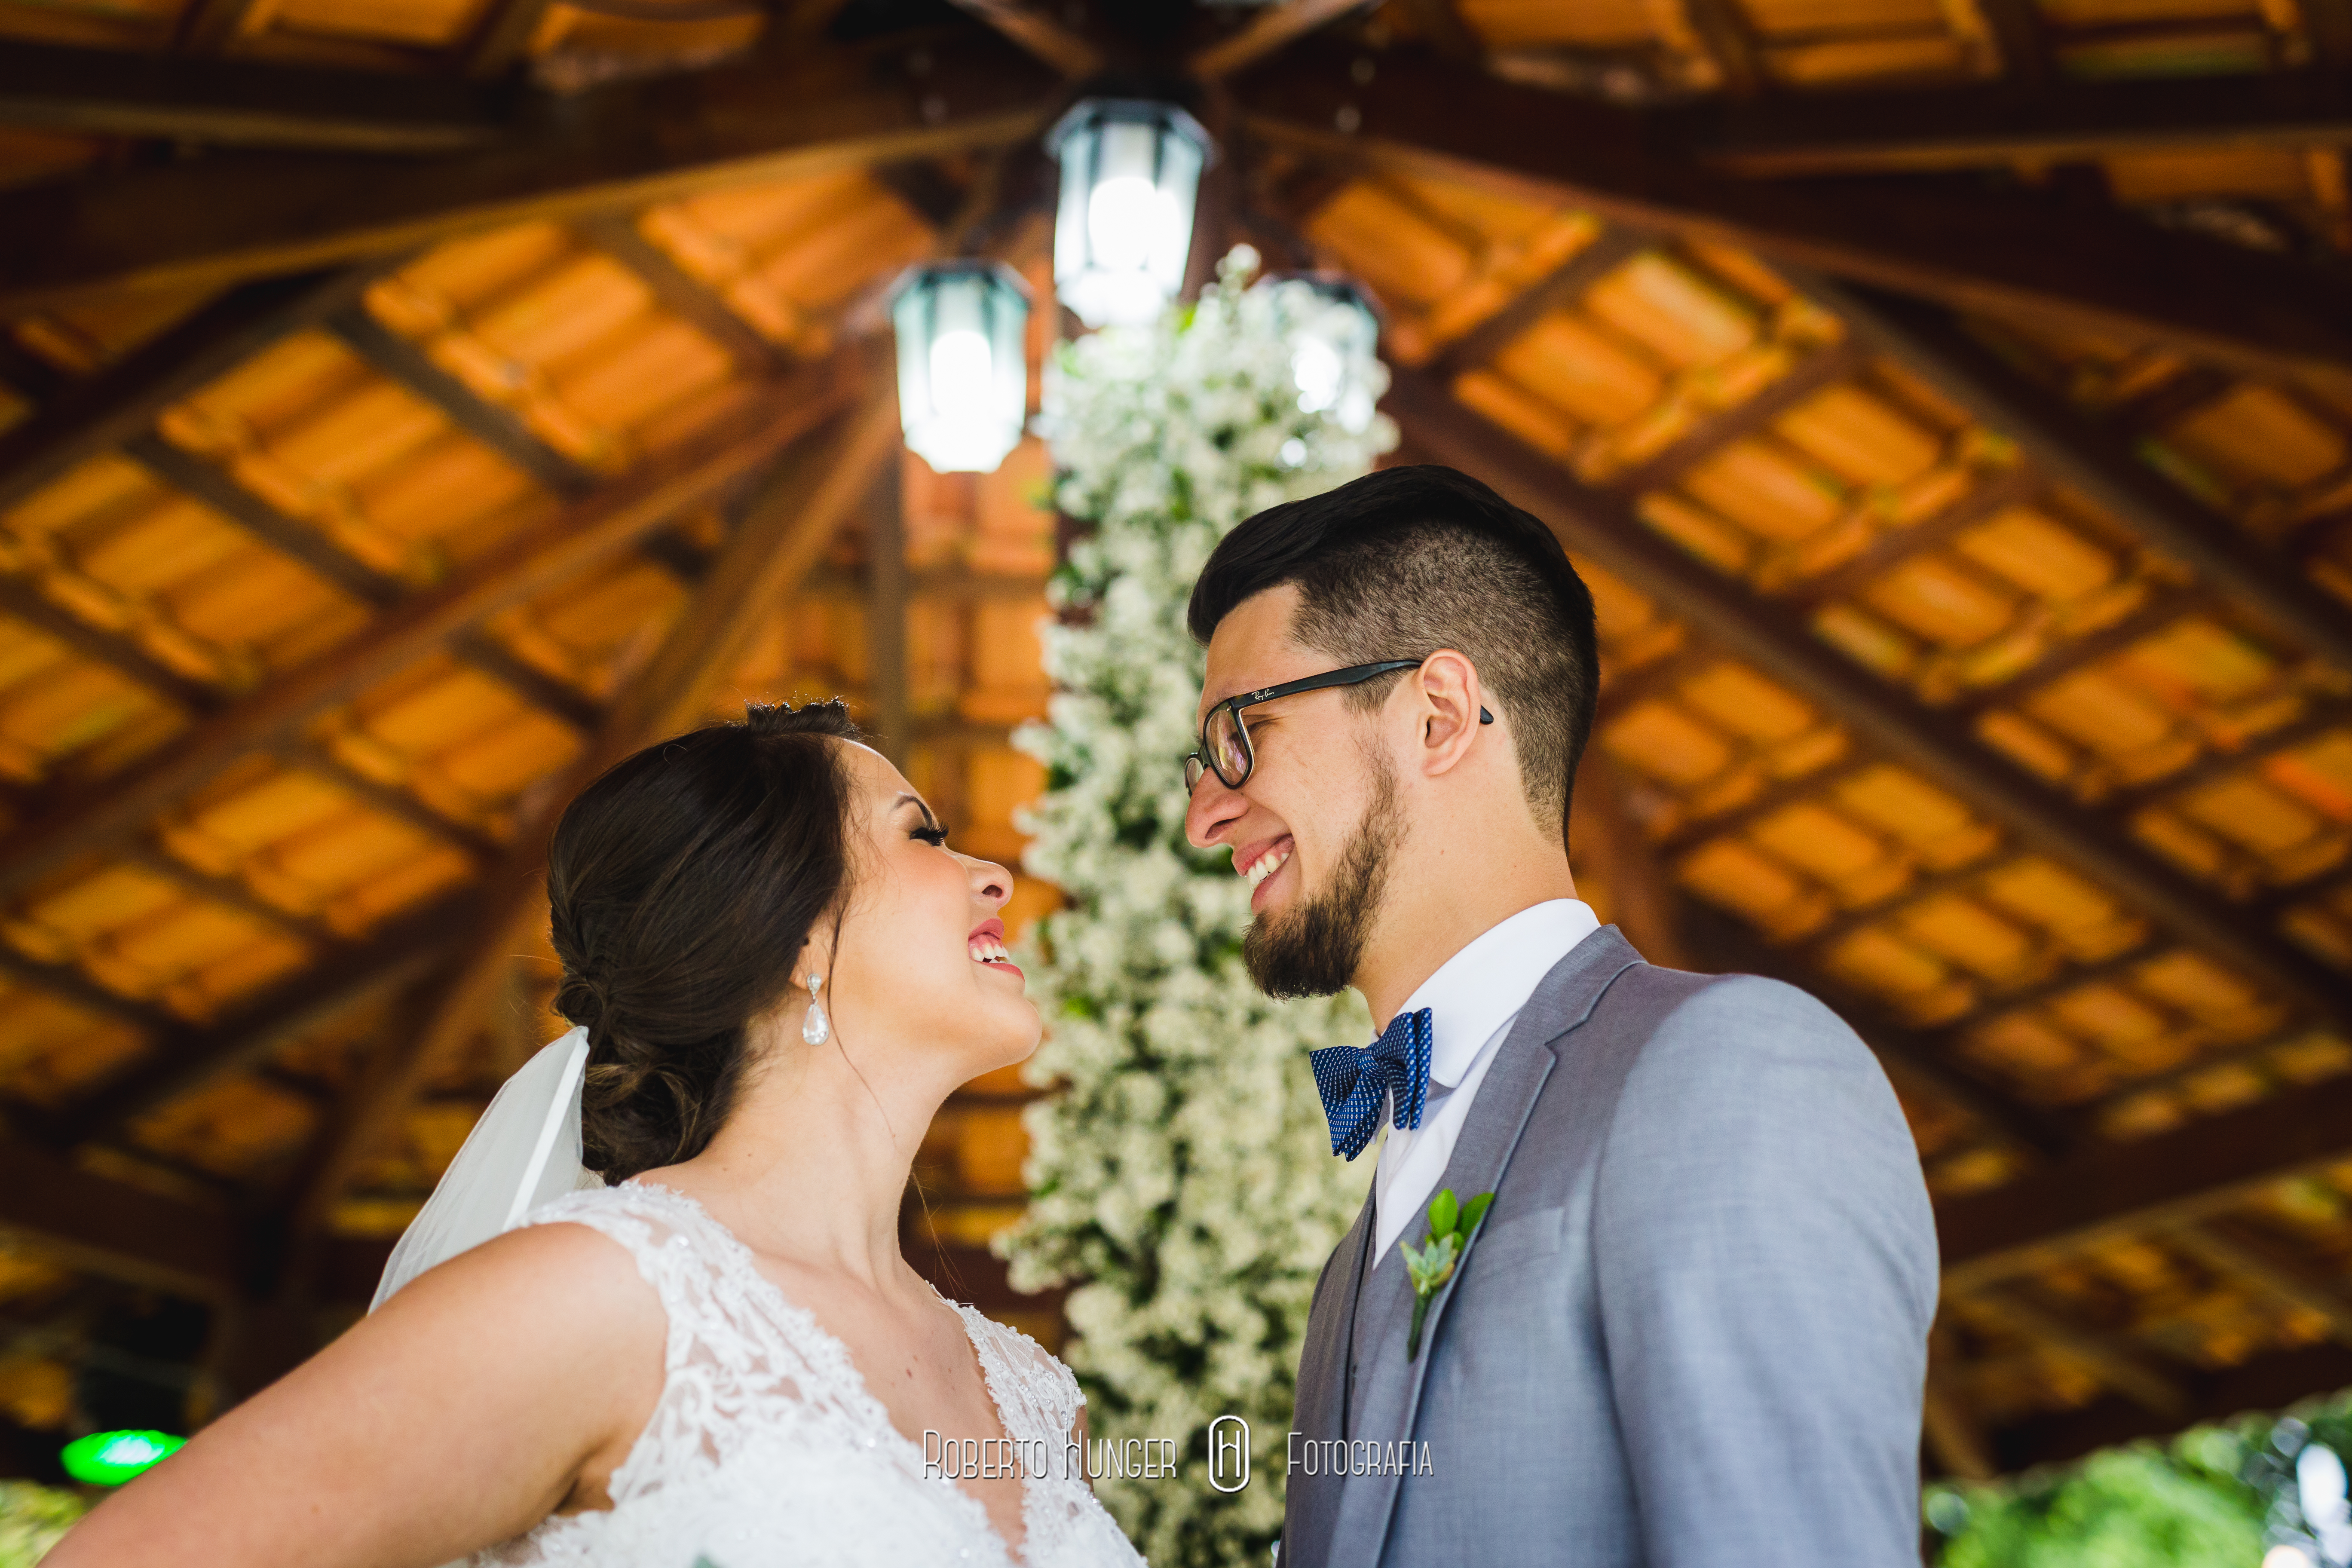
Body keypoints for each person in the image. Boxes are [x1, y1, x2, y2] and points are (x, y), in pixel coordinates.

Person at [49, 701, 1146, 1568]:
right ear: (795, 933)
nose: (994, 875)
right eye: (923, 835)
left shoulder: (1030, 1393)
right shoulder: (609, 1296)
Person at [1182, 466, 1939, 1568]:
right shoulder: (1349, 1272)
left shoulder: (1734, 1072)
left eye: (1243, 733)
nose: (1205, 816)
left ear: (1440, 715)